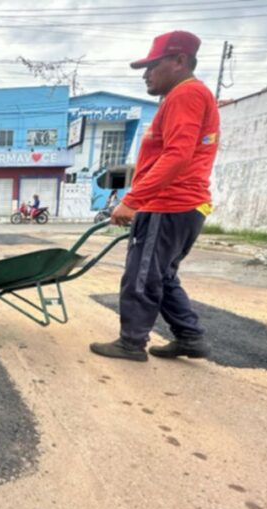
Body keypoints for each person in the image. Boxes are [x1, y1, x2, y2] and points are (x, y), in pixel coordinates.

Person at [90, 31, 219, 362]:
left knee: (142, 275)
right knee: (161, 275)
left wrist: (134, 199)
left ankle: (131, 343)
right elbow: (170, 155)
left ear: (179, 61)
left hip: (169, 203)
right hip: (183, 205)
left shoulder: (185, 95)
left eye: (152, 65)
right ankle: (190, 337)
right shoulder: (187, 96)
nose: (146, 74)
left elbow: (177, 156)